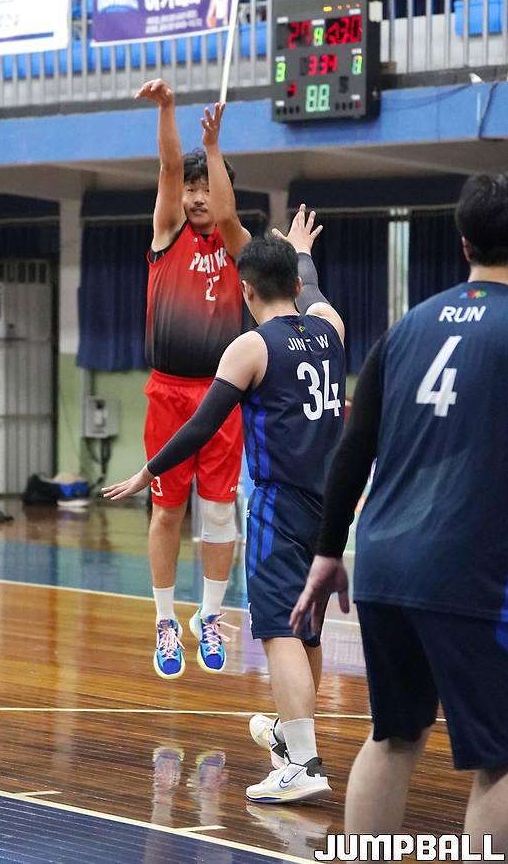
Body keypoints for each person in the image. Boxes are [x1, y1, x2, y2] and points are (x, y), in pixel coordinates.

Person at [291, 173, 508, 852]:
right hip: (475, 571)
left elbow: (351, 449)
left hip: (382, 562)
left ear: (463, 241)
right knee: (502, 757)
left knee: (393, 735)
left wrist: (328, 552)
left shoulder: (408, 326)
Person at [104, 207, 346, 804]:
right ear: (294, 283)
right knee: (308, 632)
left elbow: (198, 427)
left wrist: (146, 472)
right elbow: (312, 289)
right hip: (331, 507)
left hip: (280, 505)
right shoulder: (331, 327)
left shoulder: (250, 347)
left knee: (279, 630)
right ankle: (291, 742)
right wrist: (302, 252)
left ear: (245, 291)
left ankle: (303, 763)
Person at [134, 78, 251, 680]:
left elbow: (227, 213)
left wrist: (214, 146)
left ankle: (210, 614)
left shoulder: (238, 246)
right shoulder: (166, 233)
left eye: (208, 186)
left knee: (220, 512)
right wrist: (170, 109)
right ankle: (164, 620)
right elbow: (167, 167)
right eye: (192, 187)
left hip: (222, 394)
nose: (198, 197)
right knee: (168, 512)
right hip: (168, 393)